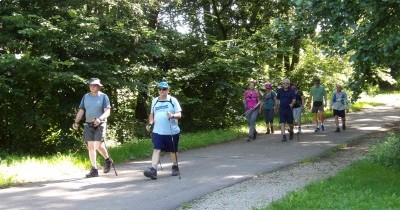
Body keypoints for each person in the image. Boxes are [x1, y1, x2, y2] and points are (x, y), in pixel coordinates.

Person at [72, 78, 113, 178]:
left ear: (99, 87)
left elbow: (107, 111)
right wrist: (76, 122)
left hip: (100, 123)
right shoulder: (86, 97)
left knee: (98, 146)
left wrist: (100, 119)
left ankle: (108, 160)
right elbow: (81, 110)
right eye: (91, 85)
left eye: (95, 85)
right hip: (88, 124)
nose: (92, 87)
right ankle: (94, 169)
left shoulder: (103, 97)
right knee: (91, 146)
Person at [144, 81, 182, 180]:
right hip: (158, 131)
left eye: (164, 89)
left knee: (172, 151)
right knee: (156, 149)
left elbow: (179, 115)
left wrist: (172, 115)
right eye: (160, 89)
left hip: (171, 131)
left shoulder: (172, 100)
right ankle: (153, 170)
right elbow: (152, 114)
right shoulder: (155, 101)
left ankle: (175, 166)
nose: (162, 91)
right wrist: (150, 123)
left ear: (168, 90)